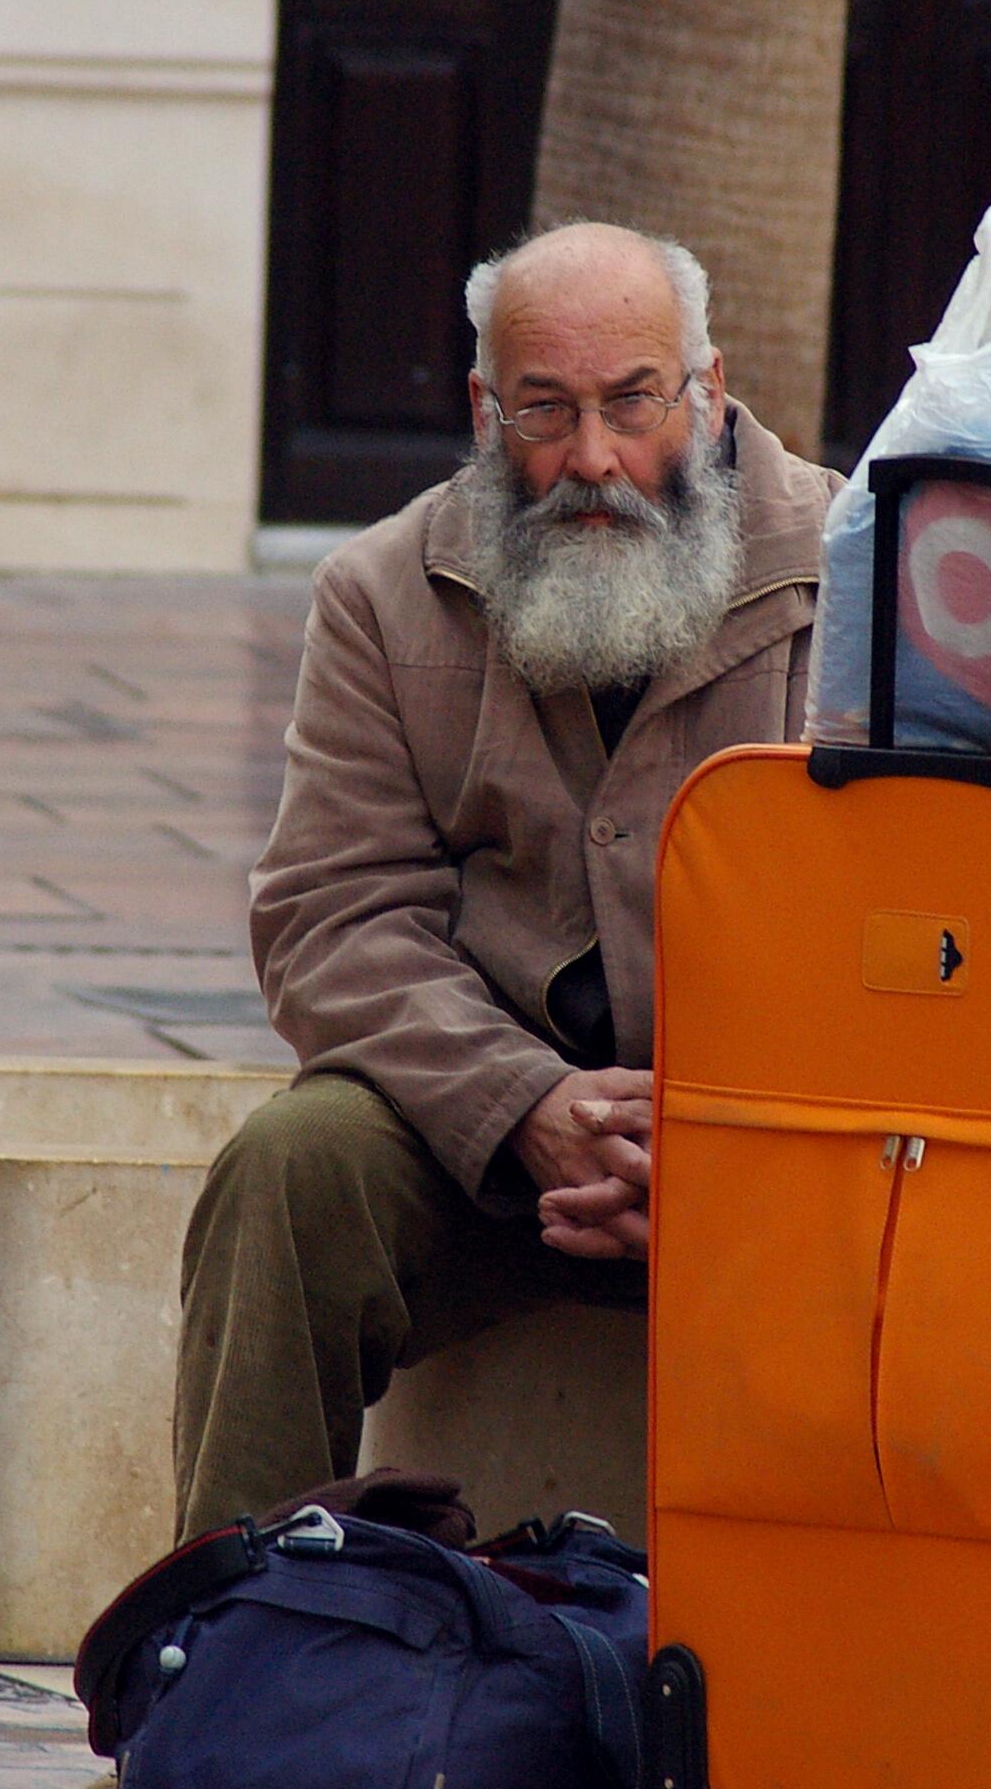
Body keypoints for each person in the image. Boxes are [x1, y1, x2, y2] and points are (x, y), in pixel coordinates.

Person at [174, 220, 836, 1536]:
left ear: (708, 391)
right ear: (487, 411)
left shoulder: (855, 569)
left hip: (792, 1164)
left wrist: (728, 1146)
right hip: (492, 1158)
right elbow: (331, 920)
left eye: (634, 402)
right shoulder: (380, 591)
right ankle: (241, 1648)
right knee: (293, 1170)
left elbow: (927, 942)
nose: (593, 460)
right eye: (547, 411)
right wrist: (524, 1103)